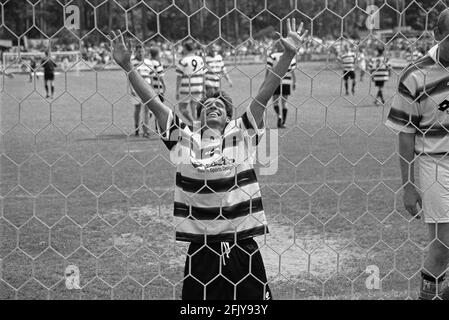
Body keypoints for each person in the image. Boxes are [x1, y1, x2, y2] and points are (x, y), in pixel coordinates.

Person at [110, 19, 308, 300]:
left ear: (229, 118)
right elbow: (154, 103)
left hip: (242, 246)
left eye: (220, 106)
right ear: (200, 118)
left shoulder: (242, 134)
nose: (212, 106)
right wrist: (128, 68)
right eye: (207, 107)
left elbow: (264, 94)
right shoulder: (185, 141)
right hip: (201, 250)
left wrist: (287, 55)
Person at [385, 9, 449, 300]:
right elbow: (406, 133)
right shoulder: (415, 75)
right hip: (436, 164)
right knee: (445, 242)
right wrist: (408, 186)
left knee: (441, 248)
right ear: (438, 34)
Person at [131, 44, 166, 137]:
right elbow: (129, 76)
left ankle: (146, 131)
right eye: (139, 52)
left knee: (147, 109)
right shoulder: (132, 62)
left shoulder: (148, 62)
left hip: (146, 89)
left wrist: (151, 90)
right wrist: (131, 89)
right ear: (135, 52)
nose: (141, 53)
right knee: (137, 109)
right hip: (135, 88)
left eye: (142, 51)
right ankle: (136, 128)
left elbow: (151, 76)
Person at [266, 40, 297, 128]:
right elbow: (293, 72)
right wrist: (294, 82)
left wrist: (266, 81)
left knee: (275, 101)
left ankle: (279, 116)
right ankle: (283, 122)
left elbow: (268, 70)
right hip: (287, 82)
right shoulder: (291, 57)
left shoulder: (272, 56)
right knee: (284, 102)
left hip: (275, 81)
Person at [176, 40, 205, 125]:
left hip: (186, 88)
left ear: (185, 48)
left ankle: (192, 122)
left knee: (182, 108)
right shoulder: (200, 59)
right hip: (198, 87)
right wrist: (203, 88)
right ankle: (197, 125)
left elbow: (179, 76)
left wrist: (177, 90)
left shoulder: (183, 60)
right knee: (195, 108)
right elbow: (203, 74)